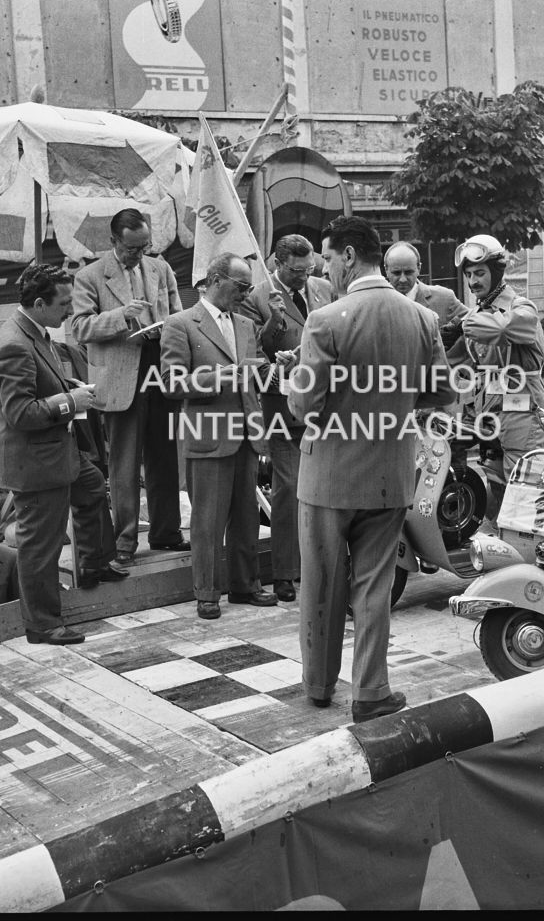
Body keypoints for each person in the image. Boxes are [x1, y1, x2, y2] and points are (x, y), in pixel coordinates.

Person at [288, 215, 456, 723]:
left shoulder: (325, 320)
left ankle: (319, 685)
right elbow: (441, 392)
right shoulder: (422, 318)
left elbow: (304, 406)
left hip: (328, 475)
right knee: (374, 589)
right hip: (390, 473)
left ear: (347, 255)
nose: (323, 268)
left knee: (321, 585)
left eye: (326, 257)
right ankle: (370, 691)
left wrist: (291, 380)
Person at [0, 264, 128, 647]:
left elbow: (38, 382)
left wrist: (68, 386)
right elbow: (20, 413)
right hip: (37, 463)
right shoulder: (14, 344)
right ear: (39, 303)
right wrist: (71, 400)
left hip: (56, 454)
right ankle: (43, 625)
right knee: (41, 547)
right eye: (65, 303)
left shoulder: (33, 332)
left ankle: (94, 562)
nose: (71, 310)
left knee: (93, 487)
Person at [160, 252, 278, 619]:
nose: (246, 294)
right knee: (207, 522)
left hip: (246, 435)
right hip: (209, 437)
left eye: (249, 288)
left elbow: (256, 376)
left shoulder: (245, 325)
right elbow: (170, 383)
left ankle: (245, 585)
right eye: (241, 286)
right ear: (214, 280)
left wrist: (276, 367)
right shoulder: (181, 323)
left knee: (247, 518)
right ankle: (207, 592)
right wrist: (222, 376)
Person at [71, 208, 188, 565]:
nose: (139, 254)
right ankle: (124, 540)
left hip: (160, 367)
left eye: (145, 246)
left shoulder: (160, 268)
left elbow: (179, 316)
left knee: (165, 457)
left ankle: (166, 531)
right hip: (121, 376)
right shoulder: (89, 276)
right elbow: (80, 328)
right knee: (124, 464)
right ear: (113, 242)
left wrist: (167, 329)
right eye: (132, 248)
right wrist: (121, 316)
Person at [238, 233, 332, 603]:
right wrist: (275, 321)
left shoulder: (324, 288)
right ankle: (285, 573)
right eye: (296, 272)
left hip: (326, 406)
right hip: (284, 409)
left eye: (309, 269)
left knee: (326, 491)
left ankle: (322, 565)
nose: (304, 278)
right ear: (278, 264)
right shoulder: (256, 297)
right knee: (289, 491)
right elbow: (252, 353)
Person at [445, 234, 544, 482]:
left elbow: (504, 328)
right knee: (494, 484)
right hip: (486, 413)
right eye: (468, 274)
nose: (473, 281)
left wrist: (462, 325)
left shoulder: (521, 307)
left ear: (496, 271)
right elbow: (460, 365)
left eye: (480, 273)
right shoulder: (475, 314)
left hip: (522, 412)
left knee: (522, 488)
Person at [384, 241, 469, 331]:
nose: (403, 279)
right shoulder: (377, 303)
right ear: (386, 270)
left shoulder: (445, 298)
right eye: (396, 273)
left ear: (419, 268)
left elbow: (475, 321)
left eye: (408, 272)